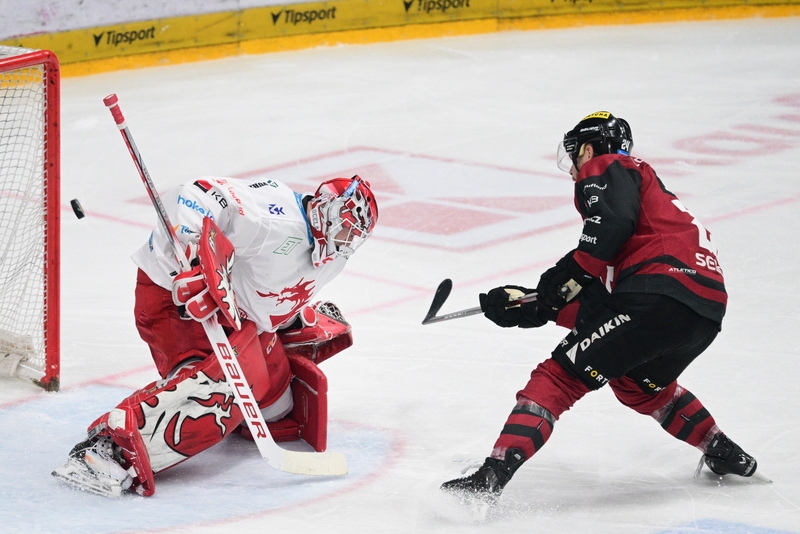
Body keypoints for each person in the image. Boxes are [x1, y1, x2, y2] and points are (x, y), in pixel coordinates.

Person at [441, 111, 757, 504]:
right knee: (636, 386)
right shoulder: (655, 213)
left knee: (559, 377)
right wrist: (536, 305)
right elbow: (608, 311)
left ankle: (490, 479)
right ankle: (723, 451)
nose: (574, 170)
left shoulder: (610, 165)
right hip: (703, 313)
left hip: (656, 294)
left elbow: (611, 227)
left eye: (575, 155)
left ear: (588, 149)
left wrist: (565, 277)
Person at [52, 174, 378, 497]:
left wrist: (291, 319)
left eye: (356, 234)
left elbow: (272, 286)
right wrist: (191, 257)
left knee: (277, 409)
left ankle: (242, 381)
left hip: (233, 315)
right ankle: (107, 450)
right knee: (215, 394)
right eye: (346, 225)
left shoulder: (335, 255)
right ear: (324, 208)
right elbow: (195, 193)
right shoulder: (272, 216)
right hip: (176, 299)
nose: (348, 238)